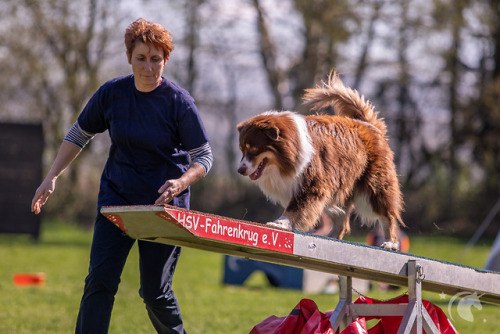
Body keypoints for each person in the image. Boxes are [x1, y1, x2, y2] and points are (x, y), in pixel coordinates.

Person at [31, 18, 213, 334]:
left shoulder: (178, 102)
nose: (148, 66)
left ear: (165, 60)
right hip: (117, 201)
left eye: (156, 59)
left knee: (155, 293)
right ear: (129, 57)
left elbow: (205, 157)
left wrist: (182, 182)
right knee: (100, 281)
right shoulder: (112, 94)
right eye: (141, 58)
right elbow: (79, 133)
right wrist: (52, 176)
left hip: (162, 208)